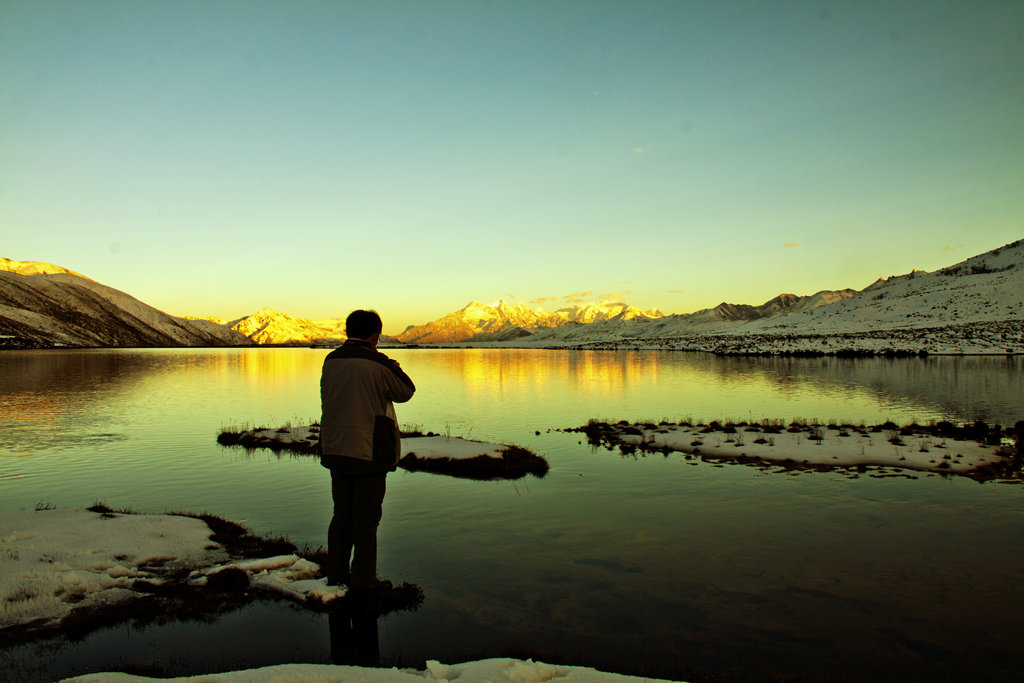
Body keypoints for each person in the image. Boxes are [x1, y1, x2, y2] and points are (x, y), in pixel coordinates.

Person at [320, 309, 415, 593]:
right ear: (375, 334)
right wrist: (394, 367)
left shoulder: (331, 360)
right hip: (368, 452)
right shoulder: (377, 362)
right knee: (366, 519)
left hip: (336, 448)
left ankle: (336, 575)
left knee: (341, 515)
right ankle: (363, 580)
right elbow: (406, 391)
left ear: (349, 331)